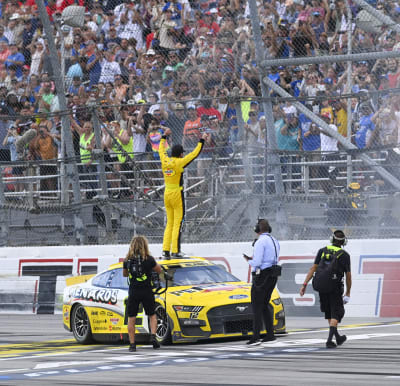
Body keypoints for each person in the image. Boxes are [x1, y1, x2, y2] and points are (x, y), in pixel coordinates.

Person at [159, 127, 207, 259]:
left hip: (166, 193)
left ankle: (165, 250)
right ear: (180, 154)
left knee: (169, 222)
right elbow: (193, 154)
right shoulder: (179, 162)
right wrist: (201, 141)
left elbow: (160, 150)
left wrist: (164, 137)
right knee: (177, 223)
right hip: (176, 195)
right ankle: (175, 251)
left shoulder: (165, 160)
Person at [299, 230, 352, 348]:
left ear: (331, 240)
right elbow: (348, 276)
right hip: (335, 287)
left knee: (329, 312)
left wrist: (304, 284)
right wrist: (348, 292)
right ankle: (329, 340)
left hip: (321, 286)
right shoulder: (344, 255)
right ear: (343, 242)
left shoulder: (322, 251)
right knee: (337, 313)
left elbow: (313, 268)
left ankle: (337, 337)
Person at [243, 219, 280, 346]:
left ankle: (255, 336)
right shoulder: (275, 240)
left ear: (257, 230)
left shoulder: (260, 242)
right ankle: (270, 334)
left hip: (262, 275)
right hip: (273, 275)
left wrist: (248, 260)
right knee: (264, 305)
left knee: (257, 305)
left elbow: (257, 262)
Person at [122, 235, 162, 352]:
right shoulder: (149, 259)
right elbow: (159, 270)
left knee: (131, 318)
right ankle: (153, 337)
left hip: (134, 291)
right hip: (147, 291)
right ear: (145, 245)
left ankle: (132, 344)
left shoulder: (127, 260)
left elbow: (124, 274)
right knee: (152, 315)